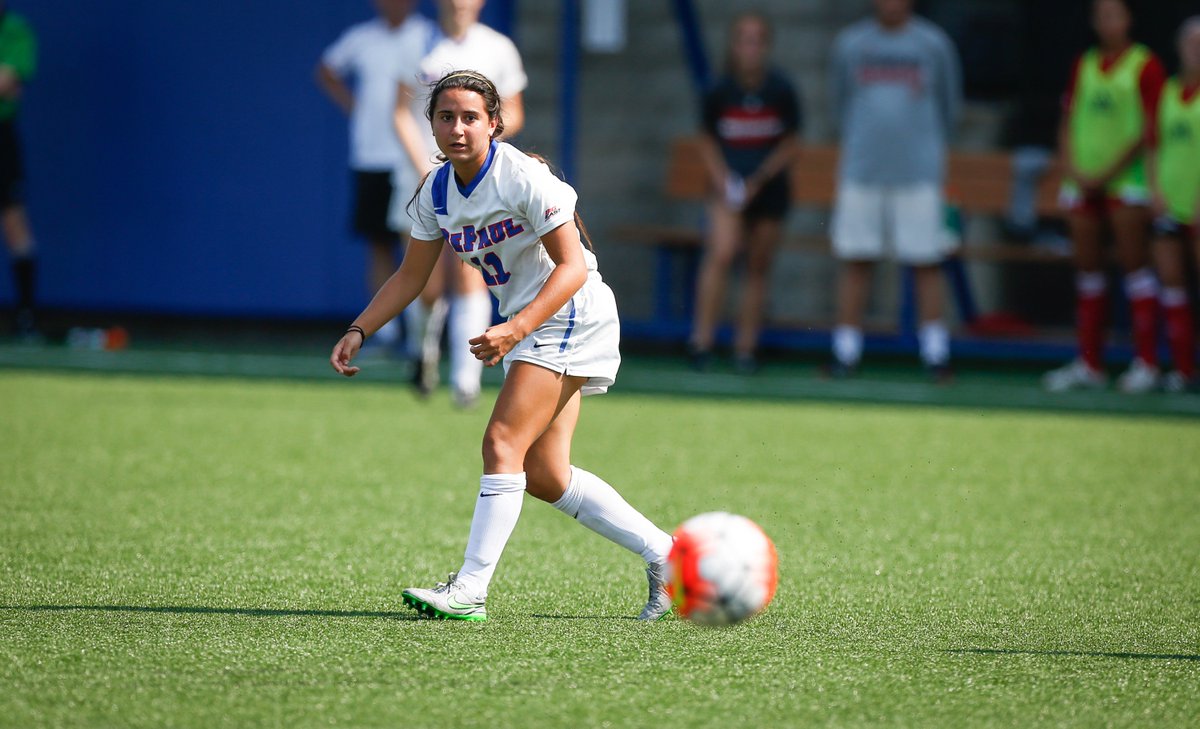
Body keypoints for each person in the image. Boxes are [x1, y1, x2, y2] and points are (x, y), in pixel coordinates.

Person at [332, 71, 674, 622]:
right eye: (446, 117)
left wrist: (516, 329)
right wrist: (359, 329)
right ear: (432, 125)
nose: (458, 128)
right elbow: (409, 278)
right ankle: (667, 555)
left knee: (501, 442)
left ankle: (469, 588)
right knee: (545, 475)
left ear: (495, 122)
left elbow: (571, 268)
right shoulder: (435, 191)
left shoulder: (519, 176)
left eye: (471, 117)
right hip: (537, 321)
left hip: (570, 311)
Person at [392, 0, 528, 407]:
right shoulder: (414, 42)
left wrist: (477, 158)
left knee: (473, 271)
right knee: (425, 283)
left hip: (478, 181)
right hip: (419, 177)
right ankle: (422, 354)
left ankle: (466, 381)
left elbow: (513, 113)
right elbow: (399, 112)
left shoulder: (498, 47)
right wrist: (427, 166)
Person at [826, 0, 962, 381]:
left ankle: (935, 353)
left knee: (926, 261)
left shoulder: (934, 44)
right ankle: (846, 351)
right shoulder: (850, 44)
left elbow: (951, 107)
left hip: (919, 174)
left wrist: (927, 151)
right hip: (862, 172)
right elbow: (838, 103)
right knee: (856, 259)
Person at [1043, 0, 1166, 393]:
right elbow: (1067, 118)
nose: (1107, 22)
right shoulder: (1085, 63)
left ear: (1129, 19)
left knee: (1136, 268)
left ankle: (1146, 362)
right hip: (1082, 181)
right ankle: (1089, 363)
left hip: (1125, 181)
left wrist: (1108, 173)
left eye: (1115, 14)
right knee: (1088, 273)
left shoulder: (1145, 65)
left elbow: (1150, 128)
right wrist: (1072, 168)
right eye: (1101, 15)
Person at [316, 0, 438, 352]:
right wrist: (356, 109)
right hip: (370, 156)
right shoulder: (361, 37)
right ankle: (384, 332)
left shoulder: (428, 36)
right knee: (379, 243)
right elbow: (326, 70)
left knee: (417, 246)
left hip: (416, 158)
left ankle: (421, 337)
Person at [689, 12, 802, 374]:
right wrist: (723, 178)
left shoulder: (781, 89)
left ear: (766, 46)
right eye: (743, 40)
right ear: (733, 45)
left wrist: (761, 178)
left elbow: (791, 141)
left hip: (769, 191)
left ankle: (745, 349)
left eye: (757, 40)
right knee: (721, 254)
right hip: (728, 190)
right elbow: (706, 139)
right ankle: (701, 342)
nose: (750, 48)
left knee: (758, 264)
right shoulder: (719, 90)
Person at [1148, 16, 1200, 394]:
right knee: (1172, 285)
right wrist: (1156, 191)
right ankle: (1182, 369)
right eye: (1190, 44)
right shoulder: (1167, 91)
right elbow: (1154, 146)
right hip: (1170, 202)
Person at [0, 2, 38, 339]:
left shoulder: (15, 30)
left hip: (2, 135)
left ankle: (25, 317)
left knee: (14, 221)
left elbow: (8, 80)